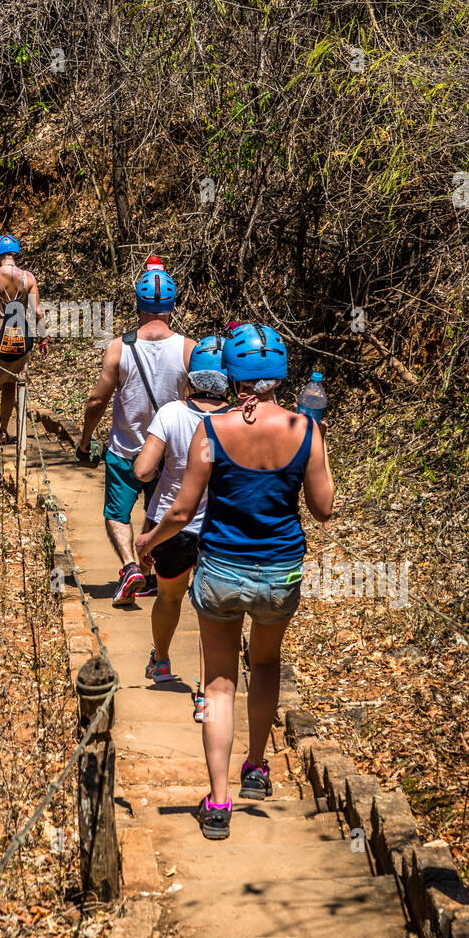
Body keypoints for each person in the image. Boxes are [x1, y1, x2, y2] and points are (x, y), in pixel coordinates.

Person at [135, 323, 334, 840]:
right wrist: (314, 442)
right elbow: (324, 508)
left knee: (220, 681)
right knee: (265, 664)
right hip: (280, 571)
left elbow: (181, 510)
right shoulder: (305, 429)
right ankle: (257, 769)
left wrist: (148, 542)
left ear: (233, 376)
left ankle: (219, 802)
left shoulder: (213, 430)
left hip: (221, 570)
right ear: (280, 373)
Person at [77, 269, 195, 606]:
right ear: (172, 304)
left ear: (137, 303)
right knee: (157, 512)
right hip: (169, 454)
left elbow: (98, 399)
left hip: (125, 449)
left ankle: (130, 567)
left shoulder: (119, 347)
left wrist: (86, 439)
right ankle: (153, 573)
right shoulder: (190, 349)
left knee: (117, 515)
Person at [133, 337, 230, 709]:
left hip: (169, 525)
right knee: (210, 608)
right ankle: (206, 691)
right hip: (217, 527)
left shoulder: (172, 413)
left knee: (169, 597)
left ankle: (161, 661)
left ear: (191, 381)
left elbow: (143, 470)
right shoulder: (235, 419)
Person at [0, 235, 46, 445]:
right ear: (16, 254)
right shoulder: (28, 278)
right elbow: (37, 312)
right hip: (19, 332)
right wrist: (42, 337)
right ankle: (3, 430)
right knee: (10, 383)